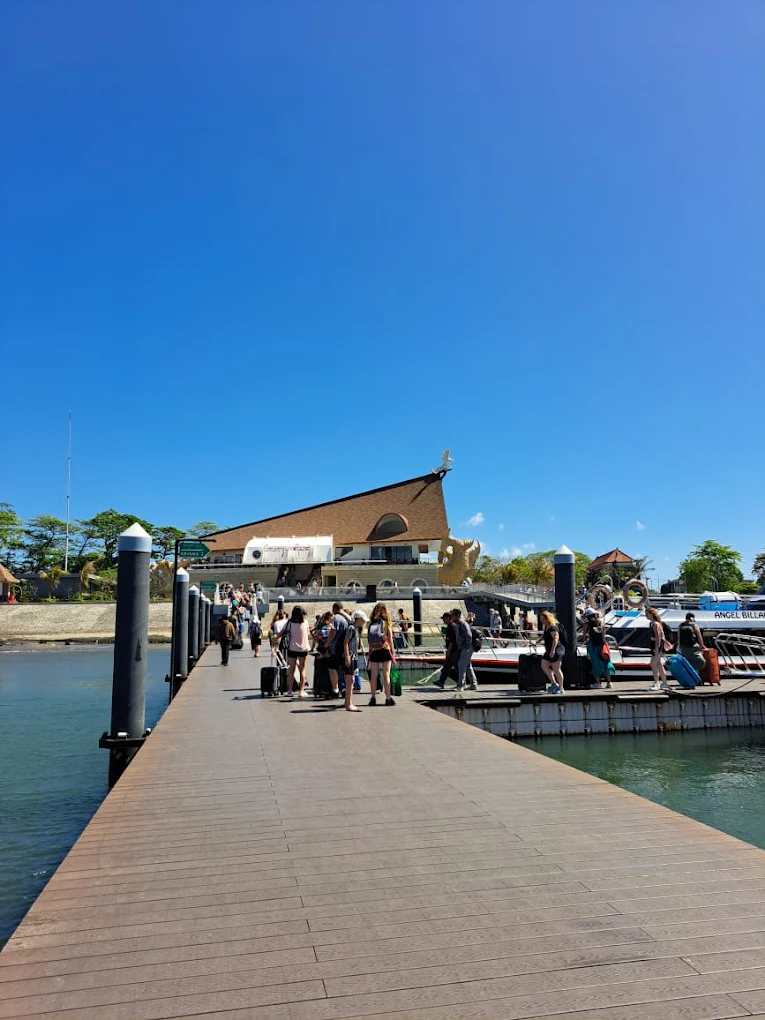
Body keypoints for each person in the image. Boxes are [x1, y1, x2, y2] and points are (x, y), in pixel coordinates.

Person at [367, 603, 396, 706]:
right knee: (386, 674)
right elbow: (390, 639)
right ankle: (388, 698)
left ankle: (373, 698)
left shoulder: (370, 624)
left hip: (374, 650)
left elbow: (369, 639)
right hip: (385, 650)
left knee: (373, 675)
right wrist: (393, 652)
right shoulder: (386, 623)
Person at [583, 608, 614, 689]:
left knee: (595, 663)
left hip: (593, 645)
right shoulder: (601, 622)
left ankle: (598, 683)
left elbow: (584, 637)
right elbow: (604, 634)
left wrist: (586, 641)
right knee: (606, 662)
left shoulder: (586, 624)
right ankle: (609, 683)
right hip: (603, 645)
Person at [283, 606, 310, 697]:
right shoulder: (305, 622)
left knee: (291, 670)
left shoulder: (289, 623)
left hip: (292, 648)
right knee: (302, 670)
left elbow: (283, 631)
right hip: (303, 648)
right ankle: (301, 691)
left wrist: (275, 639)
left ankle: (290, 691)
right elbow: (308, 633)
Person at [343, 611, 367, 712]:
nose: (364, 622)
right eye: (363, 620)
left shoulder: (356, 629)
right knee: (350, 680)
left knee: (350, 679)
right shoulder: (351, 629)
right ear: (359, 619)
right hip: (350, 657)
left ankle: (347, 701)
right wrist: (347, 656)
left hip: (353, 656)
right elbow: (345, 643)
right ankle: (349, 704)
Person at [327, 602, 352, 697]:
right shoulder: (347, 618)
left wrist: (327, 643)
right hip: (345, 647)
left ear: (335, 609)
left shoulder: (337, 618)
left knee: (332, 667)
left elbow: (333, 631)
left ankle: (335, 689)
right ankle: (345, 688)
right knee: (343, 669)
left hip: (336, 647)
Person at [537, 610, 565, 693]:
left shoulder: (553, 627)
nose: (541, 621)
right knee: (544, 665)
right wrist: (536, 641)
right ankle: (554, 683)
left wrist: (553, 651)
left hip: (556, 649)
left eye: (543, 620)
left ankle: (561, 688)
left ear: (547, 619)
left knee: (556, 669)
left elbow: (556, 638)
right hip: (549, 650)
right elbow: (544, 635)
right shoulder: (547, 627)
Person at [451, 608, 478, 691]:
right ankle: (473, 684)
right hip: (463, 647)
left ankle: (461, 685)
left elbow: (469, 635)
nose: (451, 617)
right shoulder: (458, 624)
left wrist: (467, 645)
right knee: (467, 666)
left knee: (461, 665)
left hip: (467, 647)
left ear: (457, 616)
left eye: (452, 615)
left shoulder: (463, 624)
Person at [645, 606, 671, 691]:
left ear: (651, 614)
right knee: (659, 664)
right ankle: (665, 683)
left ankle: (656, 683)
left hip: (658, 645)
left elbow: (658, 637)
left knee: (653, 663)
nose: (646, 616)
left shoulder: (656, 624)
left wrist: (657, 648)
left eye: (647, 614)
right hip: (653, 643)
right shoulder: (651, 623)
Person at [677, 612, 706, 677]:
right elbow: (699, 636)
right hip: (694, 647)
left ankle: (689, 676)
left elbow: (678, 637)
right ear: (692, 618)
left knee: (687, 662)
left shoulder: (680, 625)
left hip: (683, 647)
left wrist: (679, 646)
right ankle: (696, 676)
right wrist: (702, 645)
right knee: (700, 662)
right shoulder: (694, 626)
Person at [434, 611, 458, 689]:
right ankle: (441, 681)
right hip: (451, 650)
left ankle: (461, 682)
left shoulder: (452, 627)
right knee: (446, 667)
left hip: (454, 651)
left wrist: (449, 650)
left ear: (448, 618)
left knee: (457, 668)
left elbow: (453, 640)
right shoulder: (449, 626)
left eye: (444, 619)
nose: (443, 620)